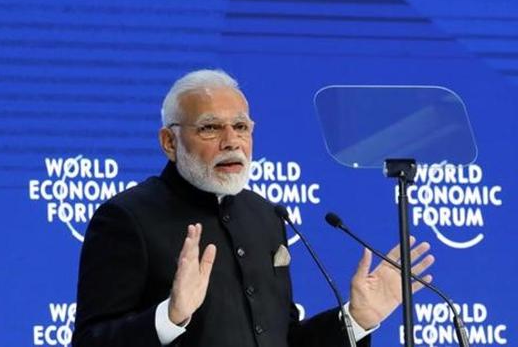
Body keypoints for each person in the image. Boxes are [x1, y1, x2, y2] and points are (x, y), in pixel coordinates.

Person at [72, 69, 435, 347]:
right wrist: (169, 317)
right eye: (210, 128)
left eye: (241, 127)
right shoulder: (126, 218)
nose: (232, 142)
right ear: (170, 141)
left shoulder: (266, 216)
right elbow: (90, 341)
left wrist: (355, 319)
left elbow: (282, 339)